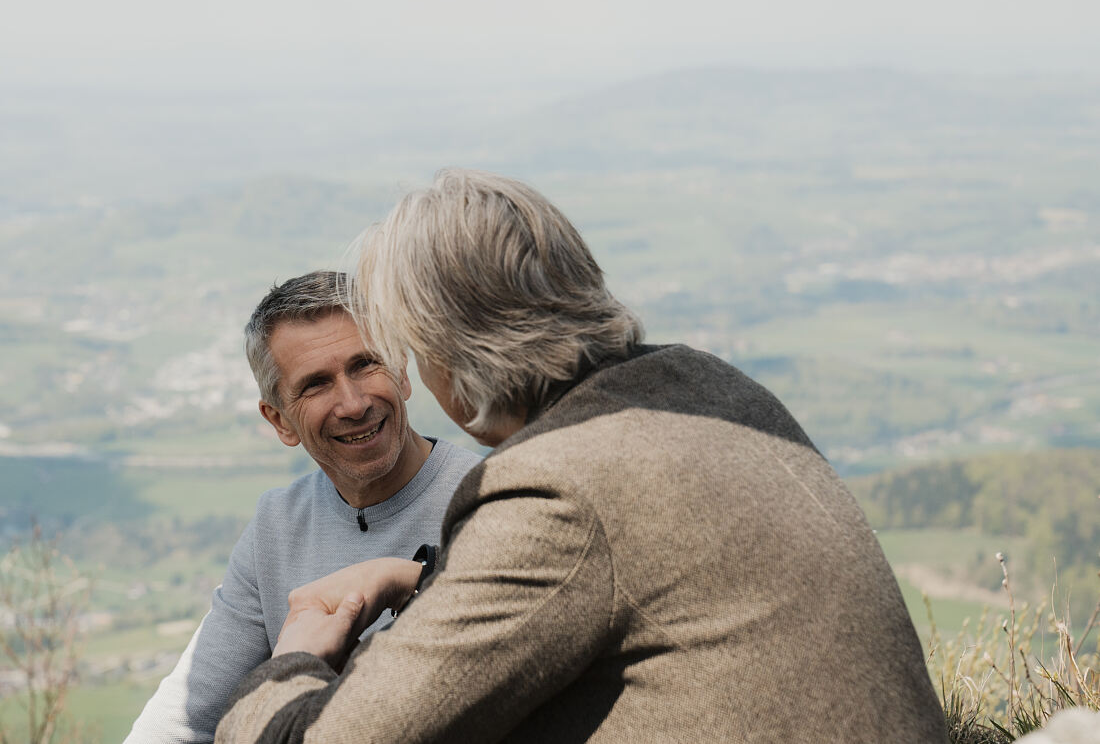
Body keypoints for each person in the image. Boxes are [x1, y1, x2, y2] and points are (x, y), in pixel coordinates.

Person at [216, 171, 950, 743]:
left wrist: (289, 668)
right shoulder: (702, 384)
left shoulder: (556, 488)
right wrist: (419, 577)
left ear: (447, 348)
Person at [125, 271, 482, 743]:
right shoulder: (276, 526)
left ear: (401, 371)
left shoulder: (485, 499)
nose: (353, 403)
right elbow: (183, 719)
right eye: (316, 385)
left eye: (365, 365)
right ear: (279, 420)